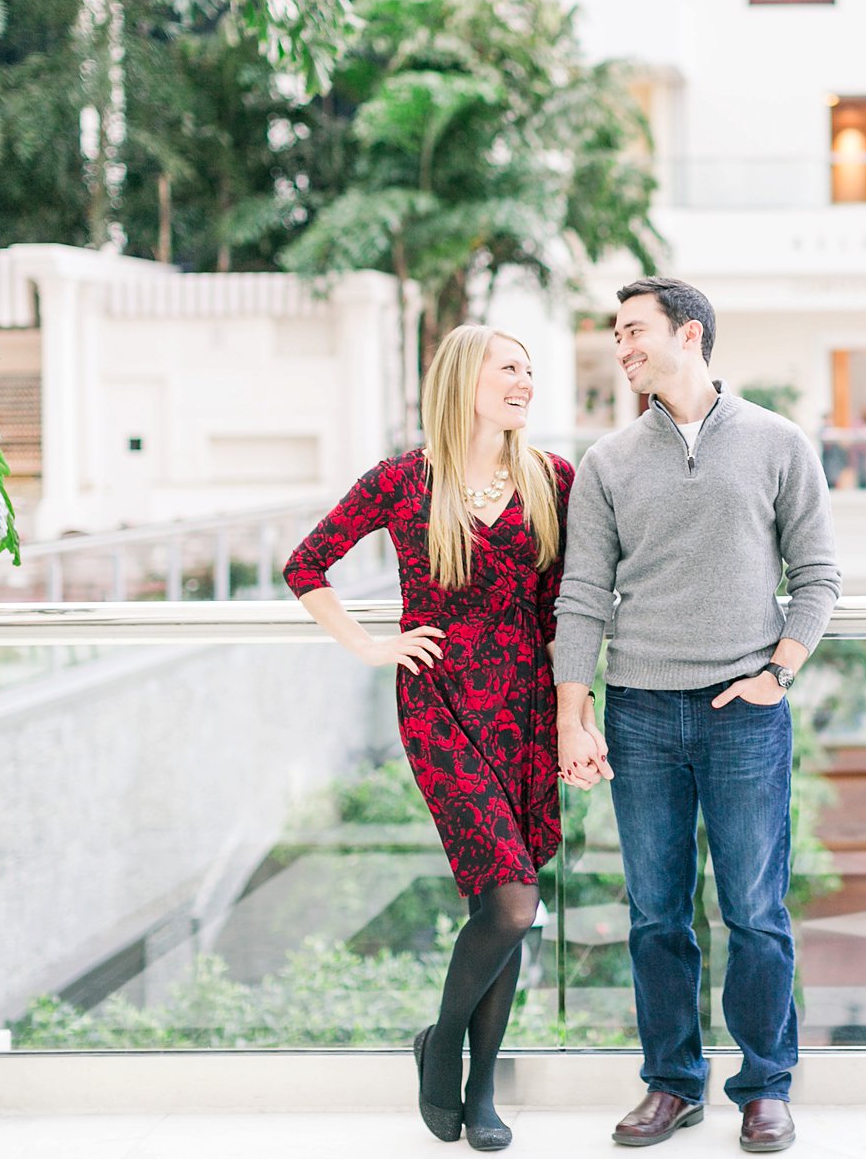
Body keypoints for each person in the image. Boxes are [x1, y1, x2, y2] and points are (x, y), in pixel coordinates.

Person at [553, 277, 841, 1154]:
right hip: (639, 711)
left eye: (635, 330)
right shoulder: (606, 462)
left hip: (743, 713)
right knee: (655, 913)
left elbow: (818, 575)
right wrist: (576, 714)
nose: (623, 346)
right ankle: (673, 1084)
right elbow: (581, 595)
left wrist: (779, 674)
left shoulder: (777, 441)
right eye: (616, 334)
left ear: (691, 333)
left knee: (754, 908)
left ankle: (764, 1087)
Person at [284, 325, 586, 1153]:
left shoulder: (553, 478)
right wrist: (371, 643)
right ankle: (442, 1049)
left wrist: (574, 717)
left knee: (503, 905)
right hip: (441, 706)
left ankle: (478, 1086)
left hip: (524, 708)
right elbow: (305, 565)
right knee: (513, 899)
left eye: (531, 369)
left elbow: (567, 614)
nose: (527, 381)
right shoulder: (401, 480)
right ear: (465, 379)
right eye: (511, 368)